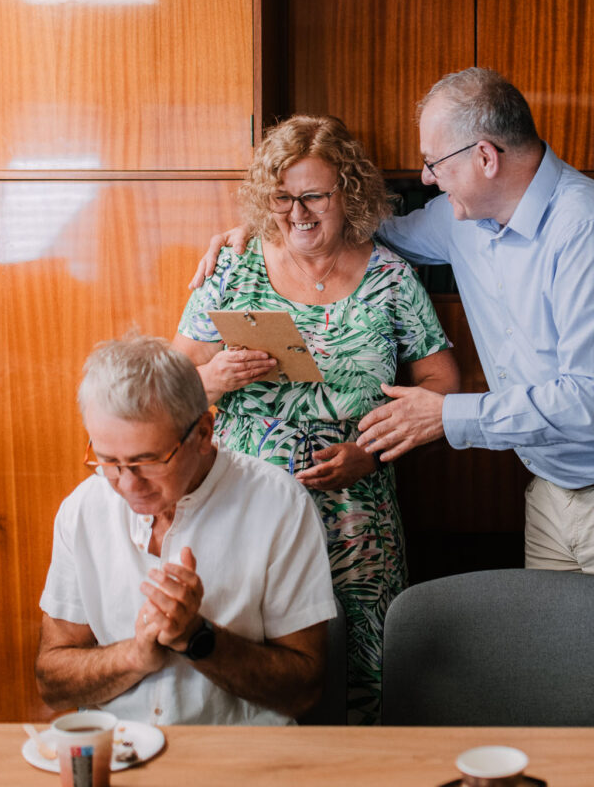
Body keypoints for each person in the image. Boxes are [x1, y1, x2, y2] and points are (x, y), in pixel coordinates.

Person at [193, 70, 594, 727]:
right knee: (563, 697)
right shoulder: (460, 218)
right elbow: (356, 222)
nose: (427, 178)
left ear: (485, 157)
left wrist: (447, 415)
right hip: (553, 493)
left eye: (434, 163)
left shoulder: (589, 227)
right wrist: (257, 227)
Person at [173, 115, 459, 724]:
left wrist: (372, 453)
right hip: (245, 512)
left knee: (360, 682)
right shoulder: (234, 267)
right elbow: (171, 385)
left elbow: (441, 385)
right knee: (247, 670)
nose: (296, 213)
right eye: (281, 198)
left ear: (347, 193)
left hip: (358, 518)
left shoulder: (391, 278)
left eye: (313, 197)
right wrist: (214, 378)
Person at [35, 333, 337, 725]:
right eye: (108, 461)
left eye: (148, 461)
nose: (127, 484)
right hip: (122, 750)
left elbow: (304, 691)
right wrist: (133, 656)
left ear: (203, 434)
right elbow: (52, 683)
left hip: (242, 753)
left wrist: (197, 638)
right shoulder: (83, 509)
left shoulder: (280, 505)